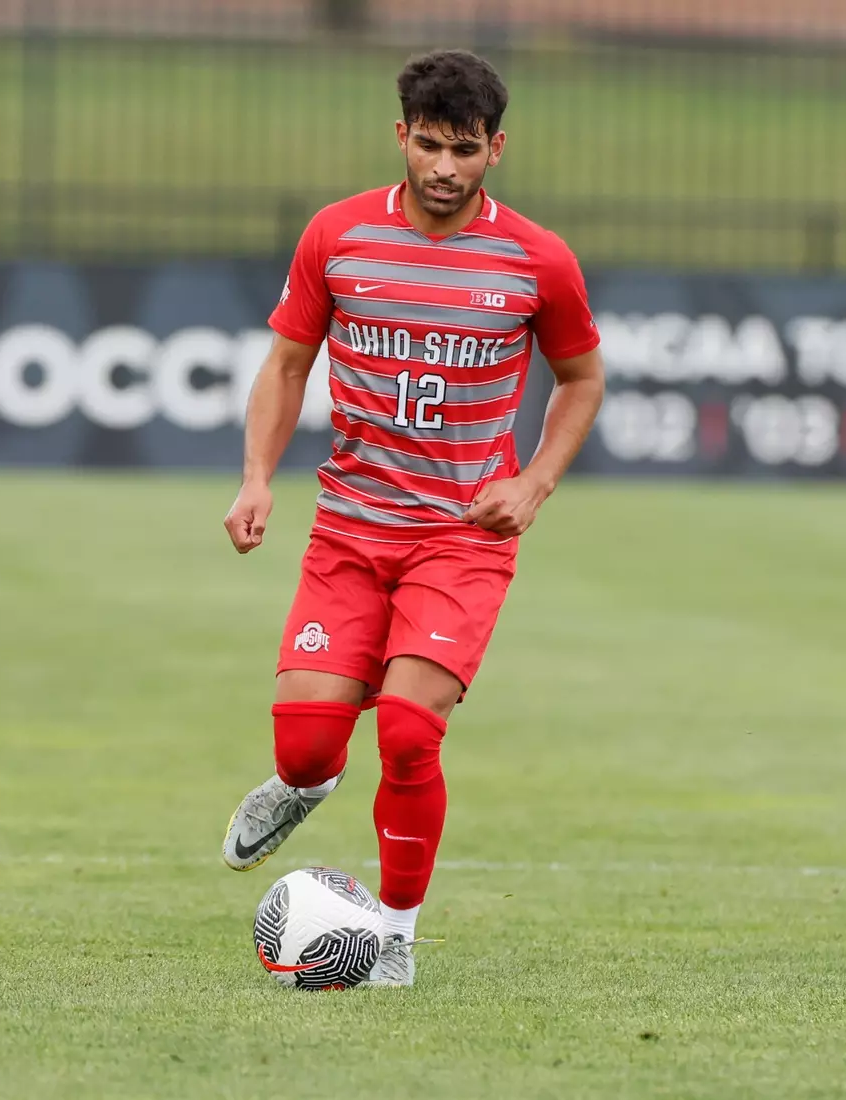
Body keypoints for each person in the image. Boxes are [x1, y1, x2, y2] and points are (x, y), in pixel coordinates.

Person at [219, 48, 605, 988]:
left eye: (463, 150)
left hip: (462, 537)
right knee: (308, 743)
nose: (443, 167)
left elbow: (582, 379)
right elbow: (286, 365)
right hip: (349, 529)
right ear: (401, 135)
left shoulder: (537, 259)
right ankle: (305, 784)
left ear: (496, 149)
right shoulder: (338, 236)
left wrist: (536, 481)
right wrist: (256, 479)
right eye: (428, 145)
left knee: (405, 732)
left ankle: (392, 939)